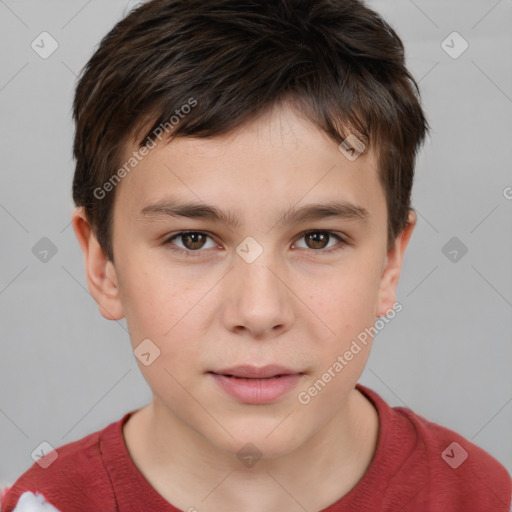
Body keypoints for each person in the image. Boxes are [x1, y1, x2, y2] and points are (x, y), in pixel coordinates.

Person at [2, 0, 511, 510]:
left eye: (318, 238)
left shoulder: (479, 497)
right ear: (102, 265)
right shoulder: (42, 504)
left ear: (389, 264)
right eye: (192, 239)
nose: (259, 311)